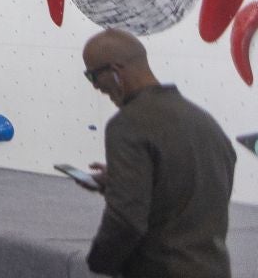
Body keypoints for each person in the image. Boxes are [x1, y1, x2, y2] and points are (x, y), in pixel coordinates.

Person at [81, 28, 234, 277]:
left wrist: (99, 262)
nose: (96, 86)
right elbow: (195, 190)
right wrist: (125, 179)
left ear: (115, 72)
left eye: (93, 76)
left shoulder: (128, 124)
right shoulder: (203, 120)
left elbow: (126, 221)